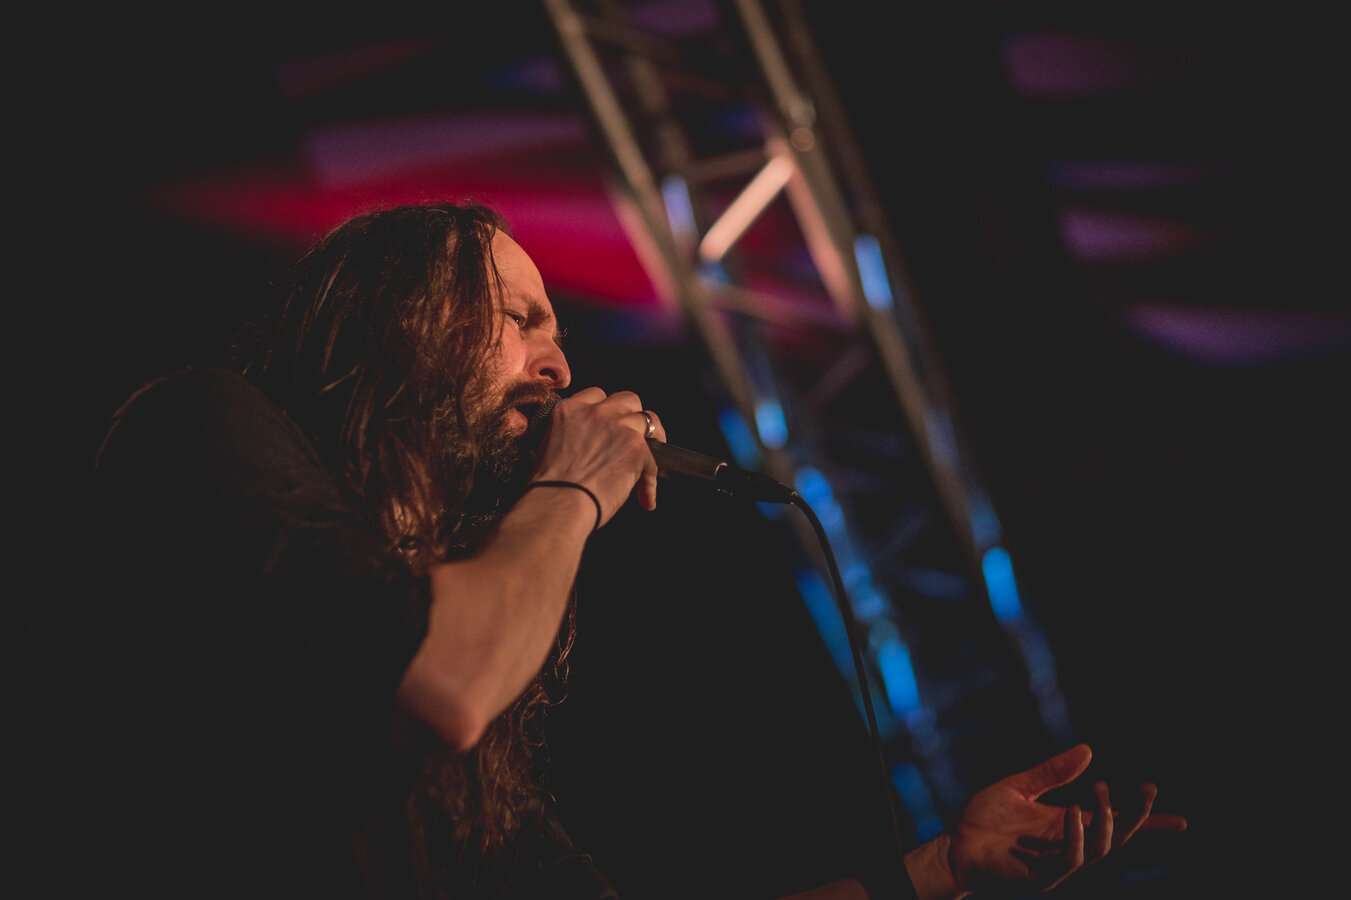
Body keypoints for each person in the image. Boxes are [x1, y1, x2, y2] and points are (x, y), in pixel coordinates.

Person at [75, 202, 1184, 899]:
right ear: (395, 316)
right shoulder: (206, 425)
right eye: (518, 318)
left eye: (558, 331)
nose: (560, 367)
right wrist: (570, 486)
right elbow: (438, 679)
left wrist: (938, 869)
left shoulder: (472, 701)